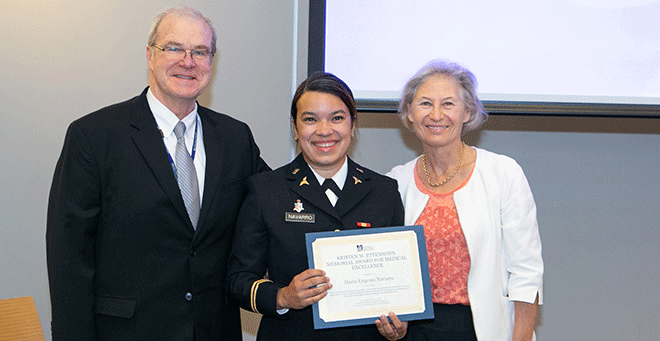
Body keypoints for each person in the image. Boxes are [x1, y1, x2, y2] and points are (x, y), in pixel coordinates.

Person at [46, 7, 269, 341]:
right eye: (174, 48)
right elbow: (69, 257)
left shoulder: (235, 138)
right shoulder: (93, 136)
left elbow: (276, 203)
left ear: (212, 61)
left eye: (200, 52)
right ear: (150, 55)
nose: (187, 61)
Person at [225, 72, 408, 340]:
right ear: (295, 128)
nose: (324, 130)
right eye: (310, 119)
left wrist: (397, 328)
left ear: (353, 125)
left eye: (337, 118)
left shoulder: (384, 191)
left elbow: (396, 286)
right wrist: (283, 296)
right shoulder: (266, 190)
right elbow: (237, 281)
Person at [386, 60, 543, 341]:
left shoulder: (503, 174)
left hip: (483, 330)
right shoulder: (395, 182)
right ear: (409, 113)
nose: (436, 115)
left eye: (448, 103)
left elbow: (526, 274)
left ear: (467, 111)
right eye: (424, 104)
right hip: (415, 334)